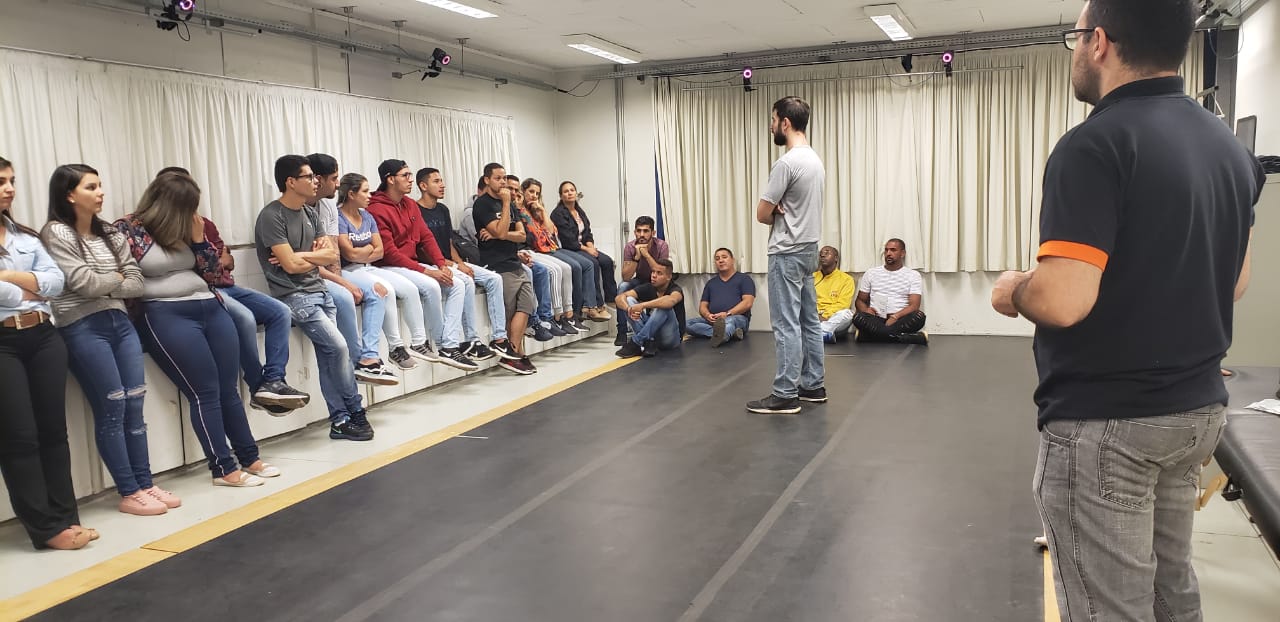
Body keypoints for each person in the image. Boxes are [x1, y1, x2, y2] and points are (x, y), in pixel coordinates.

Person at [988, 1, 1266, 619]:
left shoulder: (1094, 146)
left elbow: (1063, 300)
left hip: (1109, 424)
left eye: (1076, 39)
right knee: (1171, 590)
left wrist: (1012, 289)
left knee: (1109, 607)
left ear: (1100, 42)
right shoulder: (1228, 148)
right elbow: (1236, 282)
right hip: (1195, 415)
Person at [120, 171, 280, 483]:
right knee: (204, 391)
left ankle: (250, 457)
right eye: (186, 206)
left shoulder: (190, 227)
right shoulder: (129, 229)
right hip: (165, 313)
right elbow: (128, 279)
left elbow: (214, 274)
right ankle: (223, 468)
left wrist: (198, 240)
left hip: (210, 306)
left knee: (228, 389)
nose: (193, 213)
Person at [42, 164, 178, 516]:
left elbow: (137, 283)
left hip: (120, 323)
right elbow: (83, 284)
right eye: (91, 187)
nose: (100, 192)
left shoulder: (111, 233)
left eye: (100, 185)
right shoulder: (56, 232)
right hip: (81, 326)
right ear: (70, 195)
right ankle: (129, 491)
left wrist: (108, 280)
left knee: (135, 404)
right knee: (112, 408)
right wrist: (116, 277)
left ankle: (145, 483)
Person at [161, 167, 311, 415]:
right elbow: (204, 266)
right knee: (244, 318)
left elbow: (226, 260)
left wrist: (215, 258)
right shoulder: (164, 229)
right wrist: (209, 255)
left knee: (280, 311)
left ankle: (274, 380)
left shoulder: (204, 223)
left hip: (227, 286)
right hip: (203, 291)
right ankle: (258, 386)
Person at [0, 156, 95, 550]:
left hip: (43, 336)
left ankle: (66, 518)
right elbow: (36, 287)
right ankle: (45, 529)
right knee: (19, 437)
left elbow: (56, 282)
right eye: (1, 181)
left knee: (54, 432)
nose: (9, 188)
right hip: (3, 342)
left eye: (11, 180)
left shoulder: (24, 236)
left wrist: (9, 277)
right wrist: (28, 288)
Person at [256, 155, 373, 442]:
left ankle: (339, 420)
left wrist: (300, 255)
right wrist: (309, 256)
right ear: (290, 182)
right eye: (308, 177)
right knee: (340, 348)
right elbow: (290, 267)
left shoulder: (310, 213)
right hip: (295, 296)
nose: (315, 181)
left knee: (329, 357)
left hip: (319, 291)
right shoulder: (272, 216)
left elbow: (330, 254)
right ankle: (355, 410)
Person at [747, 96, 826, 415]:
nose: (771, 126)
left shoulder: (786, 164)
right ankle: (813, 385)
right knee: (809, 321)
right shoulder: (815, 160)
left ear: (785, 123)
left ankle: (785, 393)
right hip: (809, 249)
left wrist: (775, 210)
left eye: (773, 120)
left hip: (786, 252)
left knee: (786, 325)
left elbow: (761, 214)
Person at [367, 159, 483, 370]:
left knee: (457, 283)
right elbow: (390, 253)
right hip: (388, 266)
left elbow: (426, 236)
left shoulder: (409, 204)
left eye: (410, 175)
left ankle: (449, 344)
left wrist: (441, 264)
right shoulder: (376, 209)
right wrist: (426, 271)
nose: (410, 180)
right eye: (405, 175)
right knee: (431, 286)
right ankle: (441, 344)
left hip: (410, 263)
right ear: (390, 179)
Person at [307, 153, 397, 386]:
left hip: (331, 273)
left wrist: (340, 278)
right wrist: (344, 283)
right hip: (308, 279)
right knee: (346, 296)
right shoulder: (303, 211)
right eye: (334, 178)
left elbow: (332, 255)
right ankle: (360, 361)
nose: (338, 184)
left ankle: (372, 356)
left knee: (377, 291)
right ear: (317, 179)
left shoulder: (327, 207)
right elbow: (313, 261)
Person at [416, 167, 505, 359]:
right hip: (432, 264)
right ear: (423, 186)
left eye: (442, 180)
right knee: (466, 281)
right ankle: (470, 339)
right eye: (436, 181)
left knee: (494, 279)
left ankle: (500, 338)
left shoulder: (443, 209)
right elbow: (419, 249)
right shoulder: (416, 211)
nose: (442, 185)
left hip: (449, 261)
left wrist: (459, 263)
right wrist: (450, 264)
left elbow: (449, 242)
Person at [335, 173, 420, 372]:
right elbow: (348, 253)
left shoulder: (367, 216)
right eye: (365, 191)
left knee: (409, 287)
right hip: (347, 270)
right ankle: (391, 347)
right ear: (351, 194)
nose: (369, 195)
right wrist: (367, 250)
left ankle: (417, 342)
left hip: (368, 267)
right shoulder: (338, 218)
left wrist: (361, 252)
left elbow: (380, 251)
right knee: (383, 290)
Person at [473, 163, 537, 374]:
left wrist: (501, 234)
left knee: (526, 306)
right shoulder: (483, 205)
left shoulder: (509, 203)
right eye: (498, 178)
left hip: (514, 262)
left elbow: (522, 235)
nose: (502, 182)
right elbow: (499, 231)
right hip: (497, 264)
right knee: (509, 311)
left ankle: (515, 351)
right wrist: (507, 205)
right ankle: (512, 356)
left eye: (504, 178)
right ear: (487, 180)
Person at [520, 178, 583, 335]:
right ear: (523, 191)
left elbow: (551, 232)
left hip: (546, 248)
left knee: (566, 268)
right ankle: (554, 316)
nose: (534, 196)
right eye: (531, 192)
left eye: (537, 193)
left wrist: (542, 211)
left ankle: (568, 314)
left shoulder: (536, 211)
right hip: (531, 250)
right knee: (555, 271)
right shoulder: (520, 211)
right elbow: (532, 236)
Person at [550, 181, 613, 322]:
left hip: (584, 246)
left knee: (607, 261)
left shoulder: (579, 211)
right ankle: (594, 305)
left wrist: (591, 246)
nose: (570, 193)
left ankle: (610, 299)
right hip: (570, 248)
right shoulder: (558, 214)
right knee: (593, 263)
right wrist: (587, 249)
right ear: (561, 196)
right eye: (566, 191)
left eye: (572, 190)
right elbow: (568, 239)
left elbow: (587, 233)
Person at [852, 239, 927, 345]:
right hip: (876, 319)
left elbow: (914, 305)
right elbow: (860, 300)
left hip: (899, 319)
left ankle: (868, 337)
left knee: (919, 316)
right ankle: (908, 338)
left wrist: (895, 316)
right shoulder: (871, 273)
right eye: (886, 250)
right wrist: (866, 310)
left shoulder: (913, 275)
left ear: (902, 253)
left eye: (893, 250)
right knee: (857, 317)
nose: (888, 253)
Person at [615, 216, 670, 346]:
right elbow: (626, 277)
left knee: (661, 290)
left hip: (656, 282)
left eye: (646, 231)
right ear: (634, 232)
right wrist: (637, 257)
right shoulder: (630, 247)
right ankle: (622, 331)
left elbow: (660, 272)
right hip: (639, 280)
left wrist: (646, 254)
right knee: (623, 286)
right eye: (639, 231)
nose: (642, 234)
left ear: (653, 232)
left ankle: (644, 336)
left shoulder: (661, 246)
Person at [614, 258, 685, 358]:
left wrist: (642, 305)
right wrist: (629, 309)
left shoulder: (676, 289)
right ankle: (648, 342)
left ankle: (637, 342)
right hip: (651, 336)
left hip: (670, 338)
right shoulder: (648, 287)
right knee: (629, 300)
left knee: (664, 306)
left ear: (669, 277)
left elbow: (670, 300)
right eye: (653, 272)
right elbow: (619, 298)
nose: (654, 275)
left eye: (659, 273)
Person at [686, 247, 754, 347]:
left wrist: (727, 314)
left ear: (732, 260)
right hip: (714, 320)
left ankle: (724, 332)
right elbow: (702, 306)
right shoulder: (711, 283)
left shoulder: (744, 279)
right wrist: (707, 315)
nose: (720, 260)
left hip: (736, 318)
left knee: (729, 322)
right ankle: (728, 334)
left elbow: (748, 303)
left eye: (724, 257)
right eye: (717, 259)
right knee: (687, 324)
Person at [812, 245, 856, 343]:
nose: (822, 255)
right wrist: (815, 316)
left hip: (832, 318)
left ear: (836, 258)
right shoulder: (811, 277)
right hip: (813, 316)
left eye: (827, 253)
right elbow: (804, 301)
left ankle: (815, 334)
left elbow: (843, 304)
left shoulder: (846, 279)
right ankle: (823, 334)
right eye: (821, 254)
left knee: (847, 314)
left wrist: (825, 316)